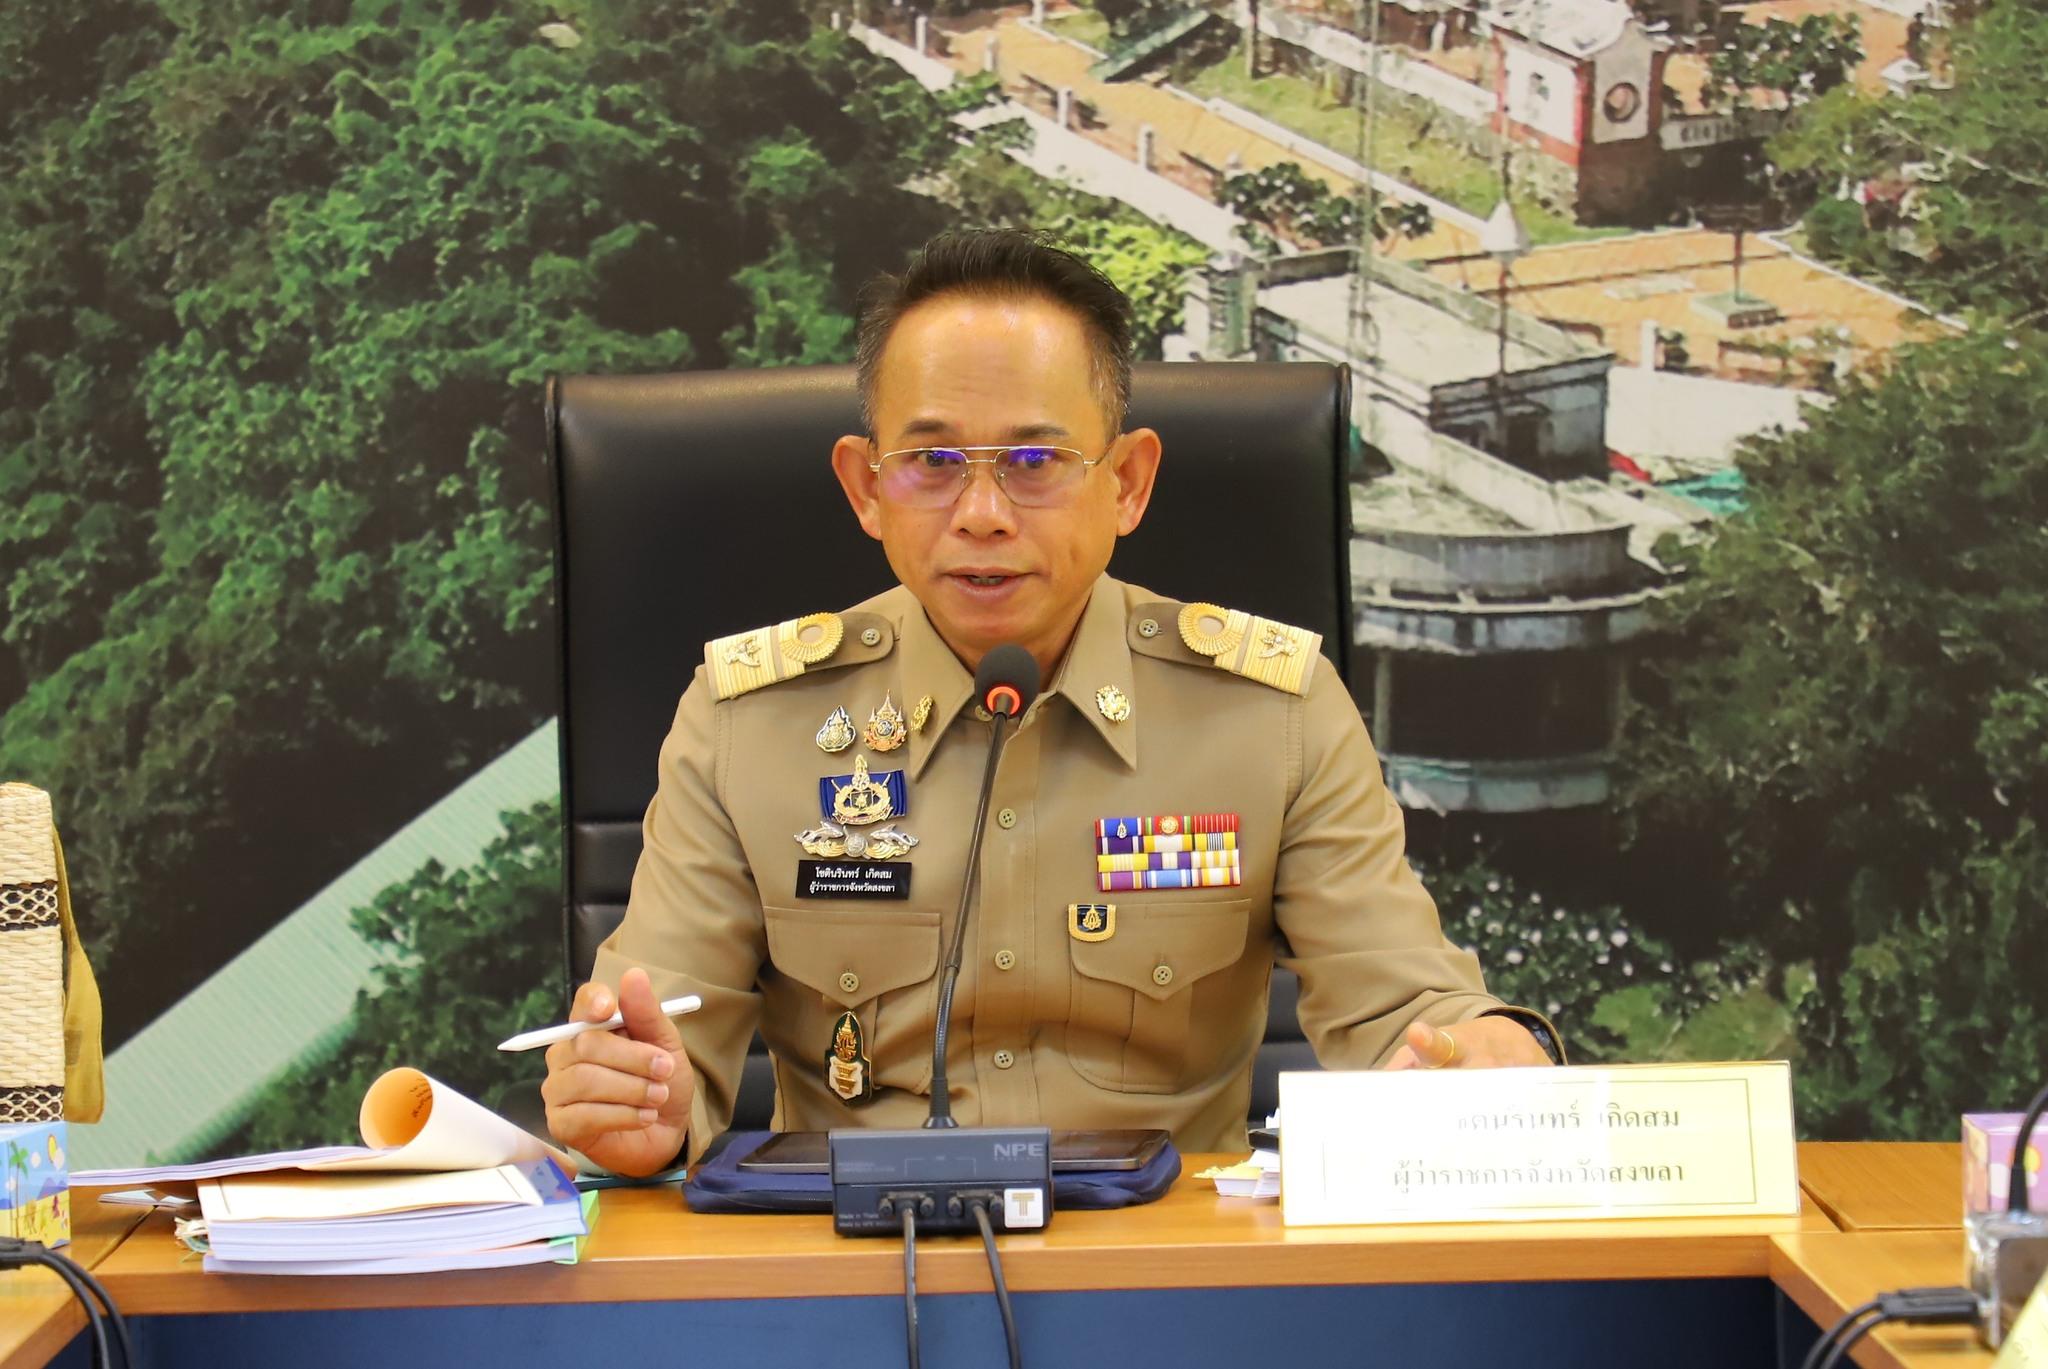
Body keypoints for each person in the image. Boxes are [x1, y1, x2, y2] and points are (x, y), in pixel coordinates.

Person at [543, 230, 1559, 1178]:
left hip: (1167, 1265)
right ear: (865, 488)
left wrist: (1481, 1053)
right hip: (855, 1266)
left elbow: (1406, 1008)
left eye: (1034, 462)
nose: (982, 515)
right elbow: (658, 1040)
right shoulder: (748, 724)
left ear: (1127, 483)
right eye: (932, 463)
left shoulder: (1271, 715)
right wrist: (635, 1102)